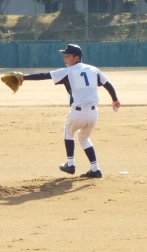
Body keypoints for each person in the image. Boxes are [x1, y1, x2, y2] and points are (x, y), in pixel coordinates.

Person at [19, 44, 121, 178]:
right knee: (84, 138)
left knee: (68, 133)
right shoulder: (93, 69)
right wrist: (114, 99)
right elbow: (107, 84)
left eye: (68, 56)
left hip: (78, 113)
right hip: (93, 114)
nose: (65, 59)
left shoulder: (68, 71)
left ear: (76, 58)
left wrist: (24, 77)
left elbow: (44, 75)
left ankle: (70, 164)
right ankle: (95, 169)